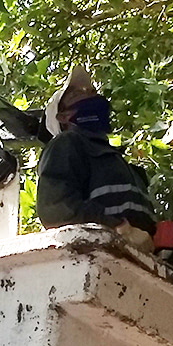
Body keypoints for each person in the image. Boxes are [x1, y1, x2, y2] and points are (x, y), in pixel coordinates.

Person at [36, 66, 157, 249]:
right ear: (63, 116)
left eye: (92, 91)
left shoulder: (116, 160)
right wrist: (117, 227)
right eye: (76, 94)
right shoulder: (67, 143)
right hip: (101, 254)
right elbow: (56, 209)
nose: (90, 95)